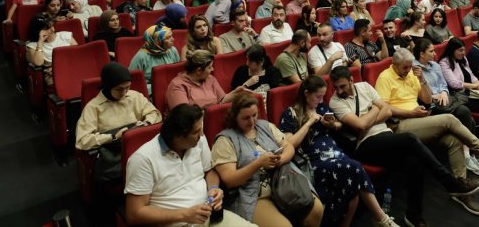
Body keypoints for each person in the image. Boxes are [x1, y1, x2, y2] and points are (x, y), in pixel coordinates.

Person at [329, 66, 479, 227]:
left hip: (386, 135)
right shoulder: (335, 101)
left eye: (343, 86)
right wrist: (375, 108)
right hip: (365, 145)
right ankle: (450, 182)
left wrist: (370, 115)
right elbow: (361, 126)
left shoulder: (365, 87)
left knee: (414, 163)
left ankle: (414, 215)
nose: (339, 91)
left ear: (352, 80)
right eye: (336, 87)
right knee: (410, 138)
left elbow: (387, 112)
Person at [375, 48, 479, 217]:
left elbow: (426, 100)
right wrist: (411, 113)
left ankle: (460, 189)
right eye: (404, 68)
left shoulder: (412, 73)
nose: (408, 70)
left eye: (409, 67)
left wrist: (422, 80)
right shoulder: (385, 77)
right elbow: (385, 109)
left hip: (418, 119)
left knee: (454, 140)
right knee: (449, 119)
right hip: (399, 125)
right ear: (394, 64)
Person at [279, 77, 399, 227]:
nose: (321, 99)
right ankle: (381, 218)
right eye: (318, 96)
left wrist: (332, 125)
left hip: (334, 152)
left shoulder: (322, 108)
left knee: (352, 187)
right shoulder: (290, 113)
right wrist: (309, 123)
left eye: (323, 95)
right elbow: (289, 144)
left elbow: (339, 125)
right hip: (314, 159)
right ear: (306, 93)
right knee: (354, 168)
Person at [125, 103, 254, 227]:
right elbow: (135, 214)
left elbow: (209, 171)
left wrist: (213, 188)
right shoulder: (143, 159)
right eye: (196, 132)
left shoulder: (198, 141)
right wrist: (184, 215)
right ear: (178, 137)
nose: (202, 135)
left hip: (209, 215)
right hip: (177, 223)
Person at [212, 93, 324, 227]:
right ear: (235, 117)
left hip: (284, 181)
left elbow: (289, 147)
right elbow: (229, 180)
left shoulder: (265, 126)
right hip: (255, 193)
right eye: (246, 118)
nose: (252, 121)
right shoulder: (225, 140)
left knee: (316, 210)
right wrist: (258, 164)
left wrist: (281, 160)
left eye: (254, 115)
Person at [412, 39, 479, 177]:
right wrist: (435, 95)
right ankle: (468, 154)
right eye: (431, 51)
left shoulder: (435, 65)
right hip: (430, 103)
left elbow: (444, 85)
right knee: (465, 112)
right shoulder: (414, 69)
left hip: (445, 99)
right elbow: (416, 90)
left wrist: (443, 92)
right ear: (421, 54)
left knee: (468, 118)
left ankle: (469, 153)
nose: (435, 53)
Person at [76, 63, 161, 180]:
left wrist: (146, 124)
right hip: (115, 154)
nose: (124, 92)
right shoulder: (93, 107)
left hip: (139, 147)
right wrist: (113, 137)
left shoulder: (135, 96)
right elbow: (82, 140)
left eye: (128, 87)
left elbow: (155, 114)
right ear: (107, 86)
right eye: (119, 89)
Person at [165, 49, 247, 112]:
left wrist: (236, 92)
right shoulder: (177, 86)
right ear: (199, 71)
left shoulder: (210, 78)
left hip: (212, 121)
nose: (213, 69)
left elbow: (221, 101)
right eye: (209, 67)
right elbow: (184, 117)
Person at [26, 14, 78, 86]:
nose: (52, 30)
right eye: (47, 28)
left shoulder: (65, 35)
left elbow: (77, 55)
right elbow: (39, 63)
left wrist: (60, 67)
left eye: (52, 26)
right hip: (52, 74)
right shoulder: (33, 45)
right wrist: (40, 41)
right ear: (38, 31)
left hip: (70, 66)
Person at [130, 24, 181, 92]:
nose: (173, 39)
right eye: (168, 38)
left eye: (171, 36)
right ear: (157, 41)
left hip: (173, 88)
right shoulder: (141, 57)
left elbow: (179, 73)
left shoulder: (172, 50)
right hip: (151, 92)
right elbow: (133, 83)